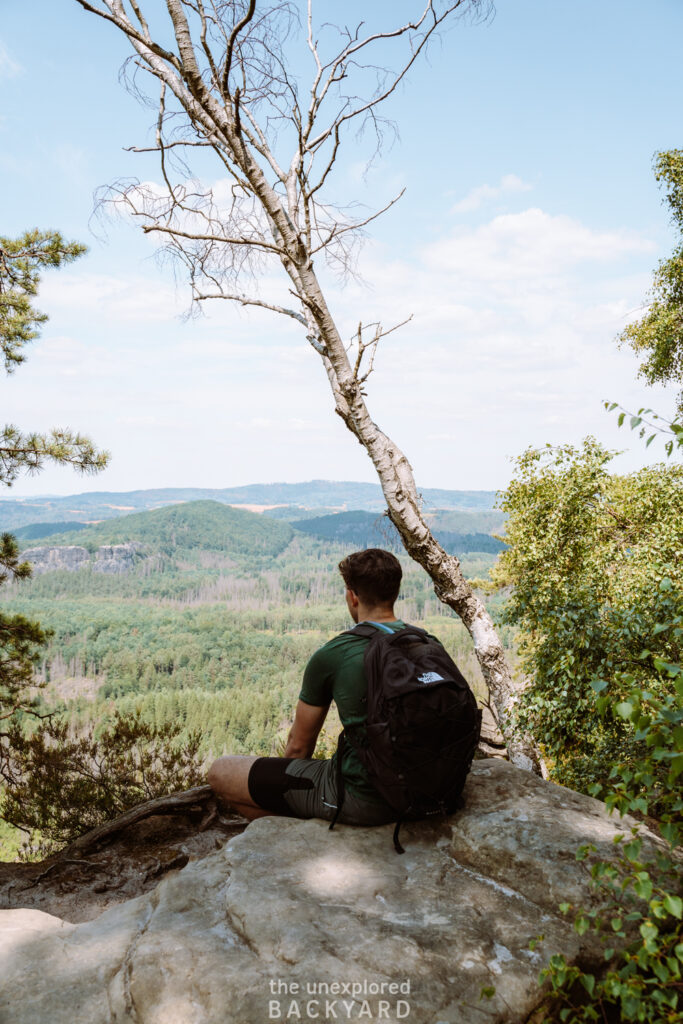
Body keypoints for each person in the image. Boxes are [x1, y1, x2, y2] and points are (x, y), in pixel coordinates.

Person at [207, 548, 424, 826]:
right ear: (394, 592)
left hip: (368, 799)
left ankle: (294, 838)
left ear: (353, 596)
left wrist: (279, 788)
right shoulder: (427, 643)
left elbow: (298, 748)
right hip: (430, 790)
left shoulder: (335, 654)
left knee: (220, 771)